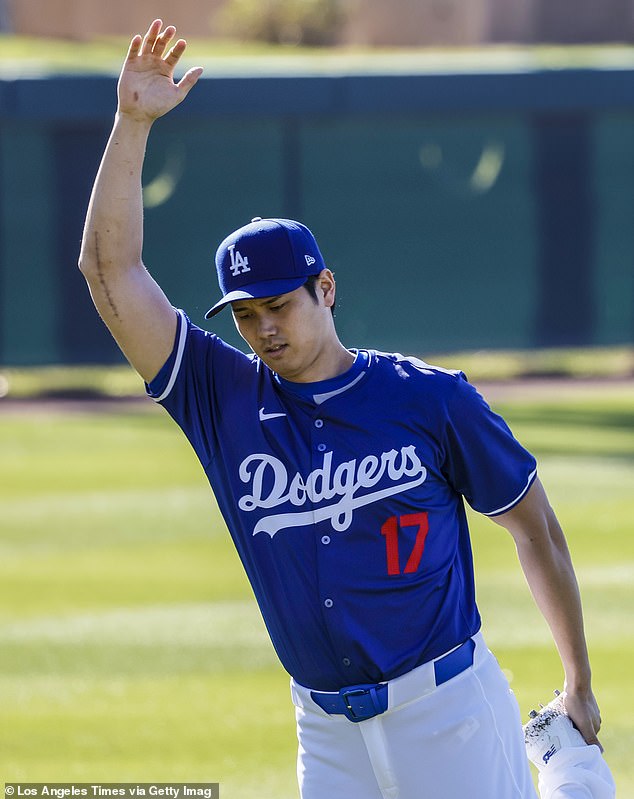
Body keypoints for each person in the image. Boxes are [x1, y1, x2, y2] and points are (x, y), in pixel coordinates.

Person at [78, 20, 616, 799]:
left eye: (279, 305)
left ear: (324, 290)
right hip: (325, 733)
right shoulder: (220, 397)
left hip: (447, 710)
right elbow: (109, 272)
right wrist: (130, 126)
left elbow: (533, 526)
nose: (263, 327)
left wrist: (578, 679)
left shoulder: (429, 398)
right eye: (245, 314)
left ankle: (568, 763)